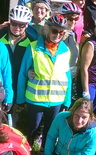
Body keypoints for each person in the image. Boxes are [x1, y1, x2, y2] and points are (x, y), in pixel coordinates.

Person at [17, 14, 72, 147]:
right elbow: (23, 73)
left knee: (51, 130)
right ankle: (27, 153)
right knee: (33, 127)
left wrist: (67, 100)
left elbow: (67, 76)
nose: (57, 35)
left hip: (56, 99)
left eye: (61, 32)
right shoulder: (33, 47)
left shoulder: (65, 50)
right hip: (35, 98)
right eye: (54, 31)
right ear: (47, 29)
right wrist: (19, 99)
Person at [0, 5, 37, 125]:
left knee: (15, 117)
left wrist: (31, 70)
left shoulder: (32, 41)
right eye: (14, 23)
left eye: (21, 25)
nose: (17, 28)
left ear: (27, 25)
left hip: (20, 82)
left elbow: (37, 61)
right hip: (2, 81)